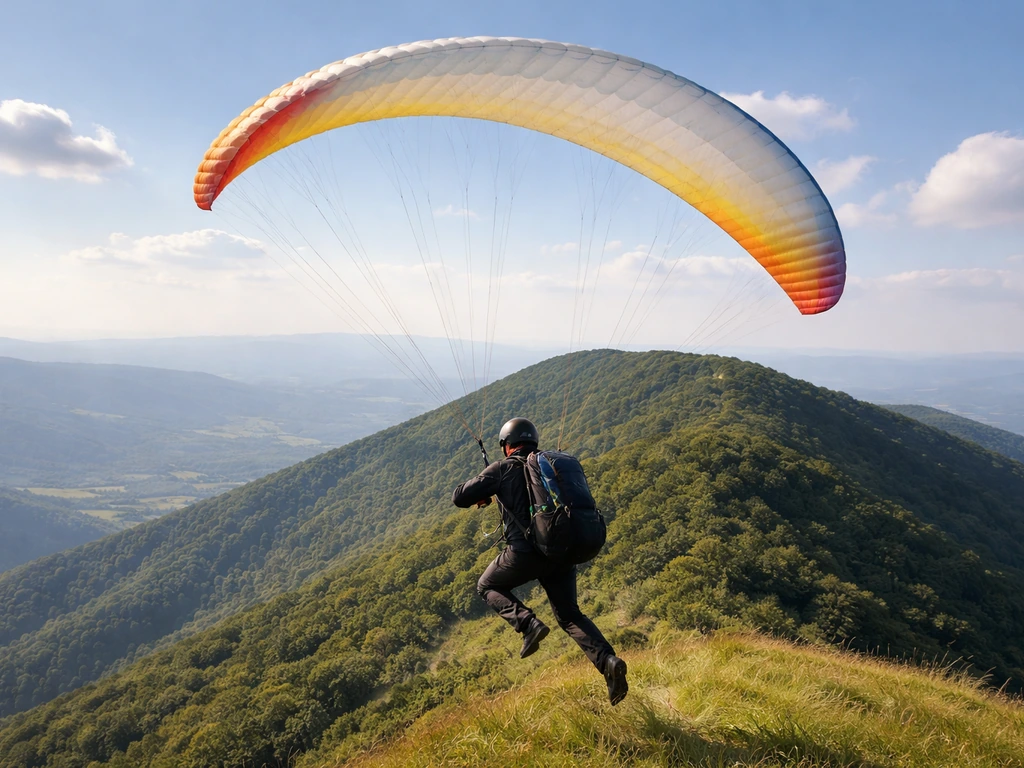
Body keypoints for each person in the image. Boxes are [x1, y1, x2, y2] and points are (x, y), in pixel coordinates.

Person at [452, 417, 628, 706]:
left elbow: (459, 497)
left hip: (524, 554)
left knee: (487, 586)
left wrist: (487, 484)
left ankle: (528, 624)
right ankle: (608, 662)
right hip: (558, 550)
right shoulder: (549, 466)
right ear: (533, 441)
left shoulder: (502, 468)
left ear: (506, 446)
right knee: (571, 615)